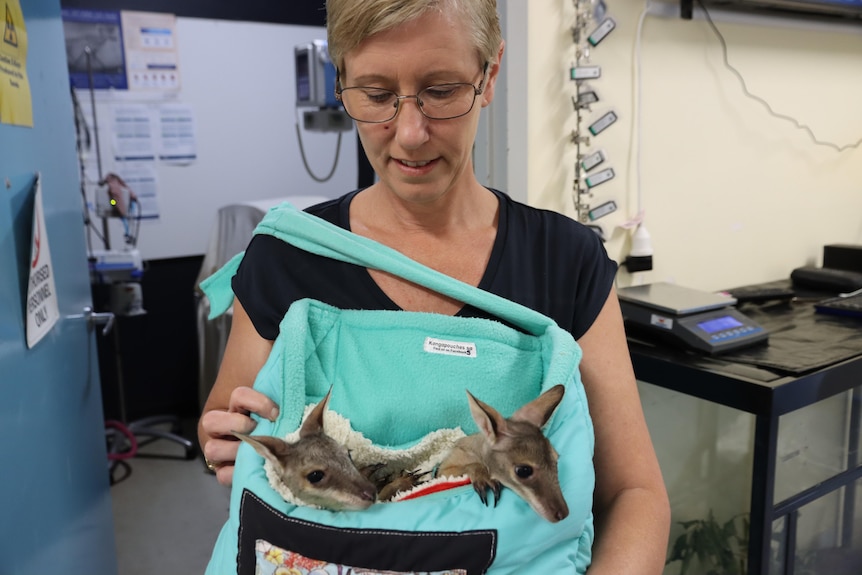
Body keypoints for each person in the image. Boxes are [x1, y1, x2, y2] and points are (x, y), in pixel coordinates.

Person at [198, 0, 670, 572]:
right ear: (340, 80)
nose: (411, 133)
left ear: (489, 75)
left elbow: (636, 494)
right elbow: (231, 431)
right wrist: (225, 440)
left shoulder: (565, 261)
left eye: (442, 90)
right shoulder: (287, 256)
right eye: (374, 96)